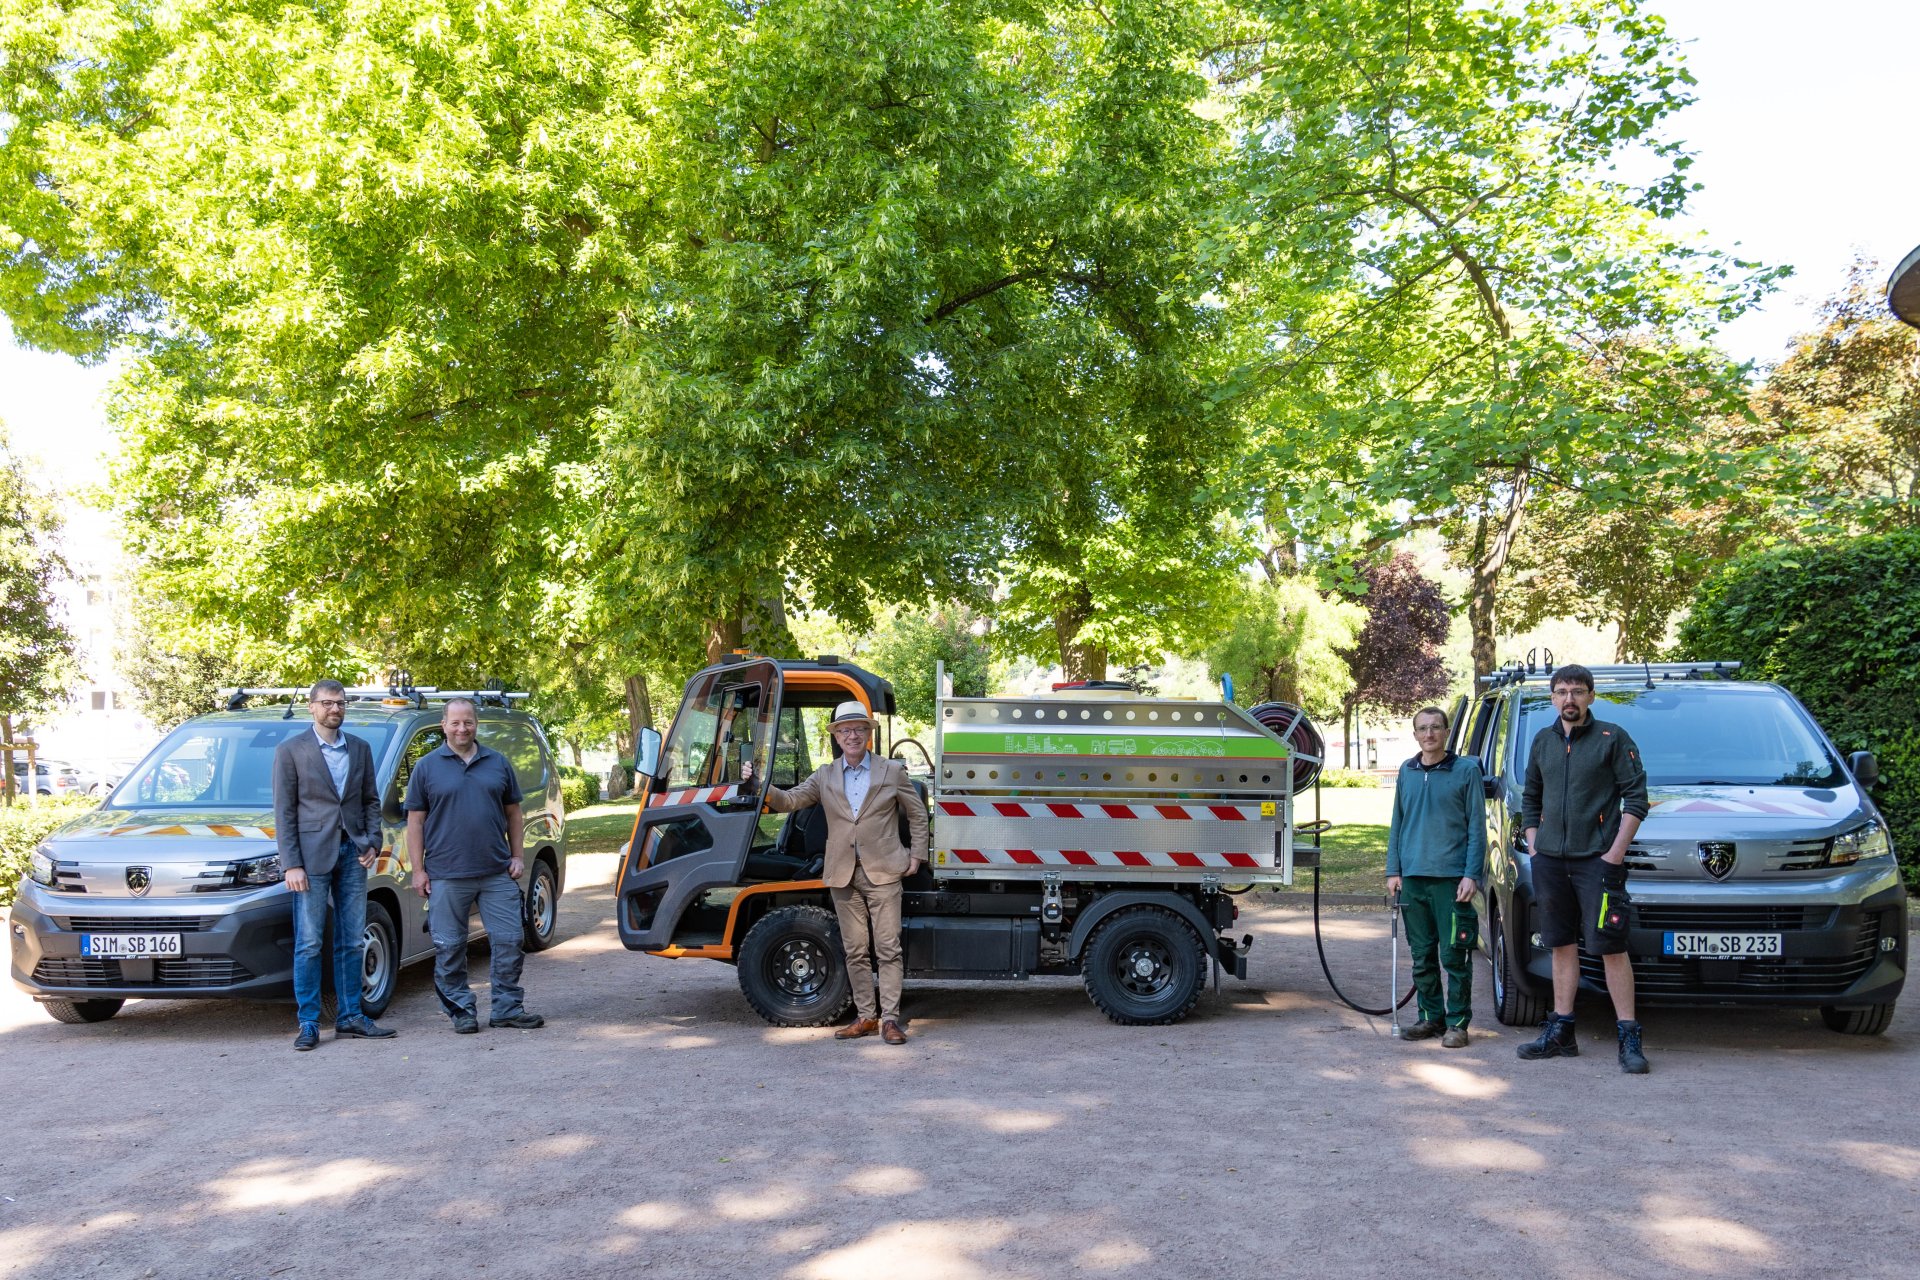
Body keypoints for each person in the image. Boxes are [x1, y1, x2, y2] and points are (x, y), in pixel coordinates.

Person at [754, 701, 929, 1045]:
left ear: (868, 734)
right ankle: (866, 1016)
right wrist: (761, 785)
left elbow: (918, 813)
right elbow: (789, 801)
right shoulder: (825, 775)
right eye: (845, 730)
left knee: (888, 948)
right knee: (855, 950)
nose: (852, 735)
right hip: (843, 874)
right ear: (836, 736)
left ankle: (890, 1020)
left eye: (859, 729)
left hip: (885, 870)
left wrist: (917, 854)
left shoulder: (891, 771)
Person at [1519, 663, 1652, 1073]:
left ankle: (1628, 1036)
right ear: (1552, 697)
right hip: (1551, 862)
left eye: (1577, 691)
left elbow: (1636, 799)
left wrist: (1613, 854)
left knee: (1610, 946)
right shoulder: (1543, 741)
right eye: (1561, 691)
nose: (1569, 699)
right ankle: (1562, 1032)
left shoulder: (1612, 738)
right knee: (1559, 943)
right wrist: (1535, 845)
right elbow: (1531, 797)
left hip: (1598, 862)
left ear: (1591, 696)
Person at [271, 679, 396, 1051]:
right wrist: (291, 864)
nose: (335, 709)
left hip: (353, 854)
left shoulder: (359, 749)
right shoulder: (291, 751)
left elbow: (371, 800)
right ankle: (308, 1023)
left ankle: (351, 1016)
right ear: (312, 707)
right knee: (309, 943)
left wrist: (373, 841)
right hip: (310, 859)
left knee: (351, 940)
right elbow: (284, 812)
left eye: (340, 703)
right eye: (327, 703)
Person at [405, 697, 542, 1034]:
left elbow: (514, 813)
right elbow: (415, 823)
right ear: (444, 725)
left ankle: (507, 1009)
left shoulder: (498, 762)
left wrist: (518, 855)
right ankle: (461, 1011)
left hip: (496, 870)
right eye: (455, 723)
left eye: (467, 722)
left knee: (510, 939)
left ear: (475, 724)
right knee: (449, 946)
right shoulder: (426, 767)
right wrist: (418, 870)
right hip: (446, 874)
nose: (462, 728)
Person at [1385, 705, 1486, 1048]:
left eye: (1435, 728)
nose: (1429, 734)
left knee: (1455, 955)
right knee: (1422, 954)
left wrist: (1472, 874)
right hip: (1413, 879)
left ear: (1445, 732)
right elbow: (1397, 823)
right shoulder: (1407, 771)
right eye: (1422, 728)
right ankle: (1430, 1018)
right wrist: (1393, 870)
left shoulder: (1465, 771)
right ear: (1415, 734)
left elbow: (1477, 826)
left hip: (1452, 880)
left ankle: (1457, 1023)